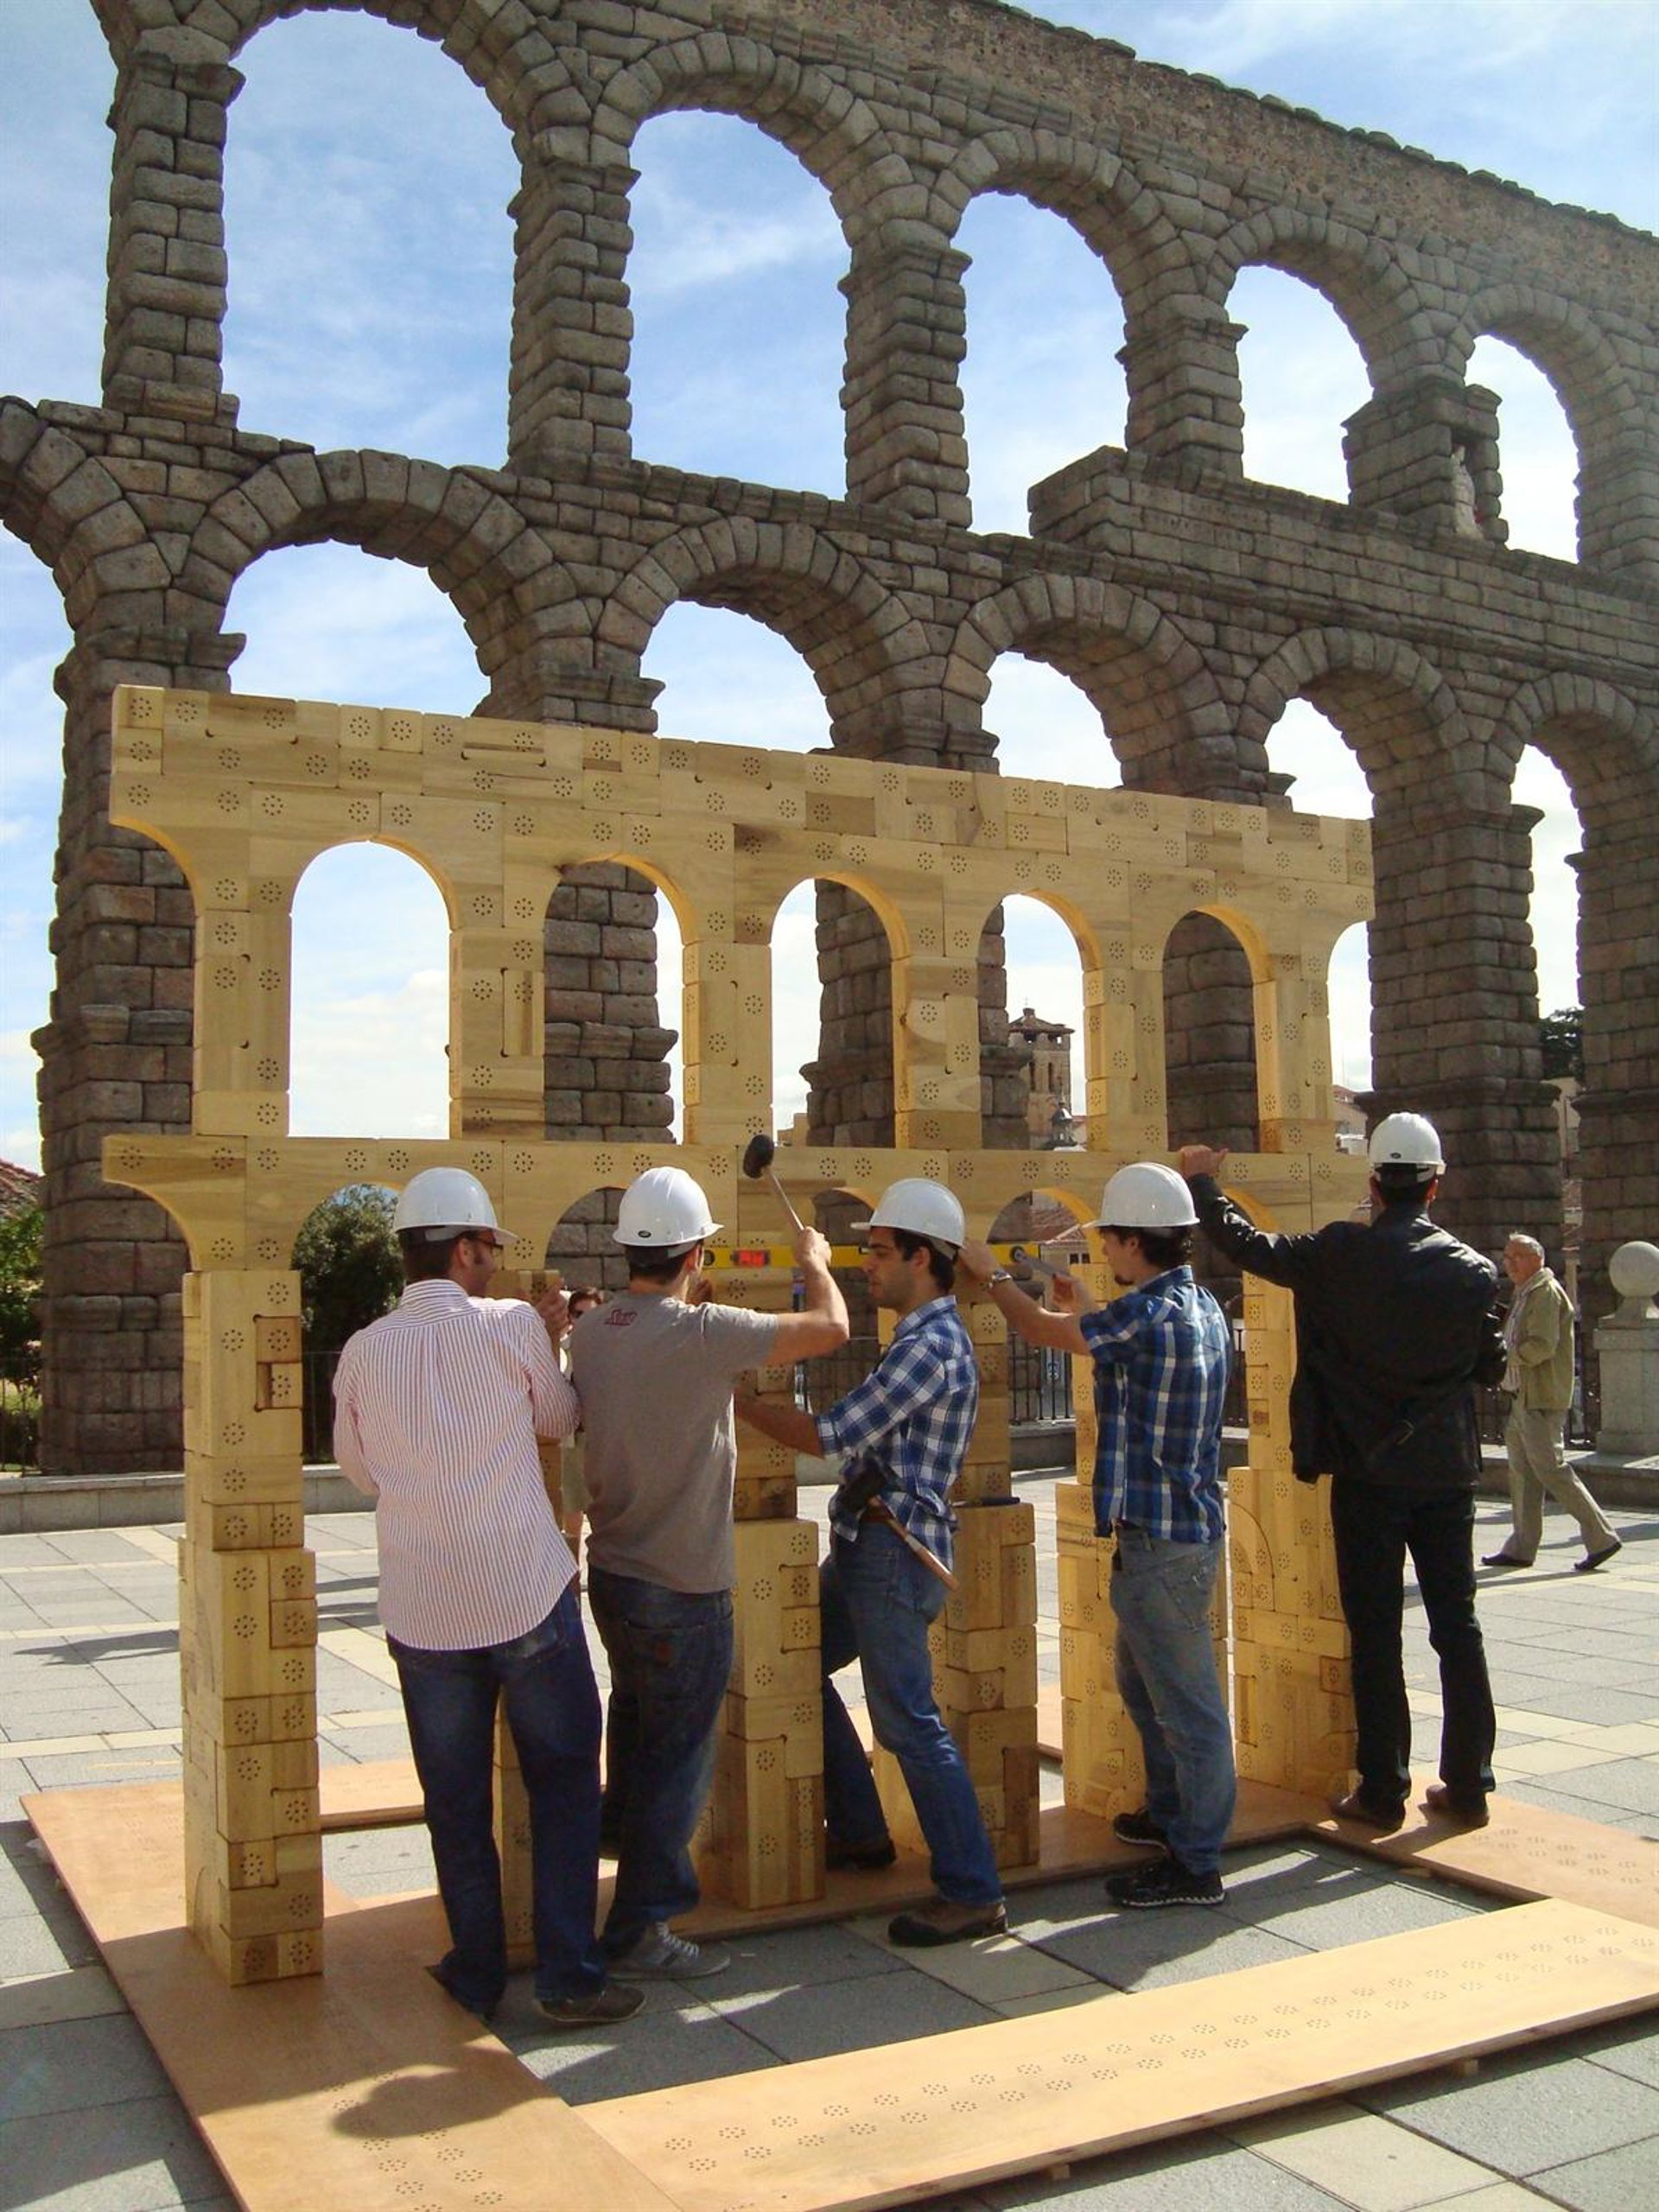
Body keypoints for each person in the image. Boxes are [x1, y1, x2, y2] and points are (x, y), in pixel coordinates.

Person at [332, 1167, 639, 2029]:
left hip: (423, 1606)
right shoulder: (509, 1325)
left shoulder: (362, 1350)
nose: (498, 1263)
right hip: (524, 1591)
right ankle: (569, 1977)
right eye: (491, 1248)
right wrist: (546, 1342)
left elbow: (359, 1471)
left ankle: (475, 1973)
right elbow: (560, 1419)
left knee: (455, 1800)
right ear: (465, 1247)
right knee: (565, 1787)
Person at [1180, 1115, 1506, 1832]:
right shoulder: (1474, 1272)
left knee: (1376, 1633)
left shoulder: (1337, 1253)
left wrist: (1203, 1183)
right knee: (1458, 1629)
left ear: (1374, 1183)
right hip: (1445, 1474)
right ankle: (1469, 1784)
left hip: (1366, 1471)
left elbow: (1248, 1246)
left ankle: (1383, 1790)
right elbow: (1490, 1367)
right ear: (1435, 1185)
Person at [572, 1164, 848, 1980]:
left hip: (614, 1573)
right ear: (695, 1255)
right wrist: (814, 1261)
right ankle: (640, 1929)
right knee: (681, 1761)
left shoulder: (595, 1331)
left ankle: (618, 1842)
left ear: (629, 1250)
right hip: (684, 1586)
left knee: (636, 1721)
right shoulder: (704, 1333)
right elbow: (831, 1327)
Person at [738, 1179, 1007, 1947]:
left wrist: (737, 1403)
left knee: (907, 1723)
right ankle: (860, 1831)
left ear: (923, 1258)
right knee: (805, 1664)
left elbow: (831, 1435)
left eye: (882, 1252)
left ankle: (973, 1891)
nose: (869, 1264)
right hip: (872, 1543)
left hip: (893, 1552)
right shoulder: (920, 1339)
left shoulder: (928, 1348)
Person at [962, 1162, 1236, 1910]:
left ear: (1132, 1241)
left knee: (1189, 1710)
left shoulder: (1147, 1316)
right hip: (1177, 1535)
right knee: (1145, 1688)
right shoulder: (1195, 1305)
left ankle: (1197, 1863)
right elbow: (1115, 1348)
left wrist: (991, 1276)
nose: (1102, 1251)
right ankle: (1169, 1816)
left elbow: (1037, 1330)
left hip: (1162, 1544)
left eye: (1108, 1239)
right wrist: (1084, 1307)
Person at [1484, 1235, 1620, 1573]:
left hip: (1540, 1398)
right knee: (1522, 1474)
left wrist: (1503, 1358)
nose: (1509, 1263)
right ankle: (1521, 1546)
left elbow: (1541, 1346)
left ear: (1537, 1259)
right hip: (1521, 1396)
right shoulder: (1525, 1291)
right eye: (1507, 1257)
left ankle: (1601, 1537)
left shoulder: (1544, 1292)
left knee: (1551, 1469)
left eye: (1517, 1256)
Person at [555, 1284, 604, 1563]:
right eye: (578, 1314)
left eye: (591, 1314)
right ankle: (572, 1569)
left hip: (603, 1442)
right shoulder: (565, 1345)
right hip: (574, 1438)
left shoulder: (613, 1347)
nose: (584, 1321)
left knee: (602, 1514)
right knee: (572, 1507)